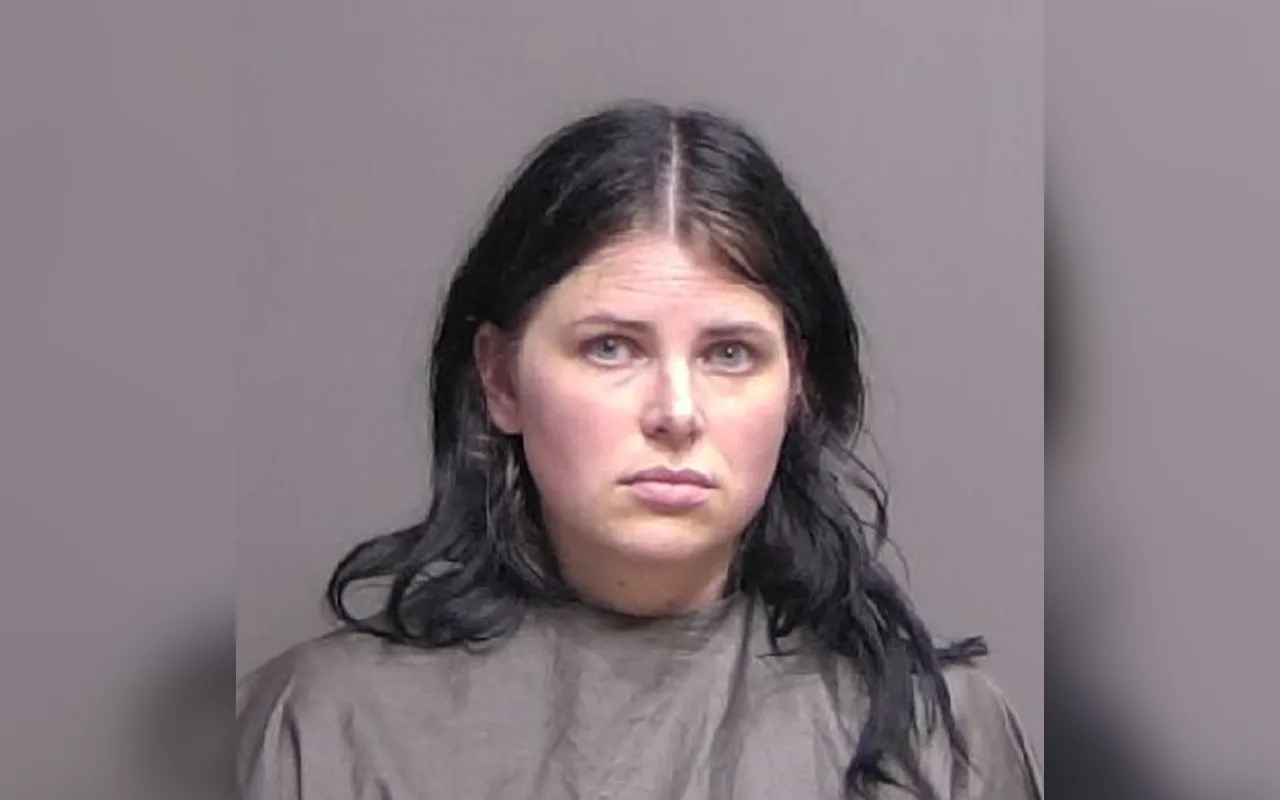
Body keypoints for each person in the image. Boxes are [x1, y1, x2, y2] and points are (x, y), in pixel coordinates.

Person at [236, 101, 1042, 800]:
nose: (676, 413)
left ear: (798, 387)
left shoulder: (939, 738)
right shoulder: (322, 727)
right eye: (611, 348)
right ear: (501, 379)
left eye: (730, 353)